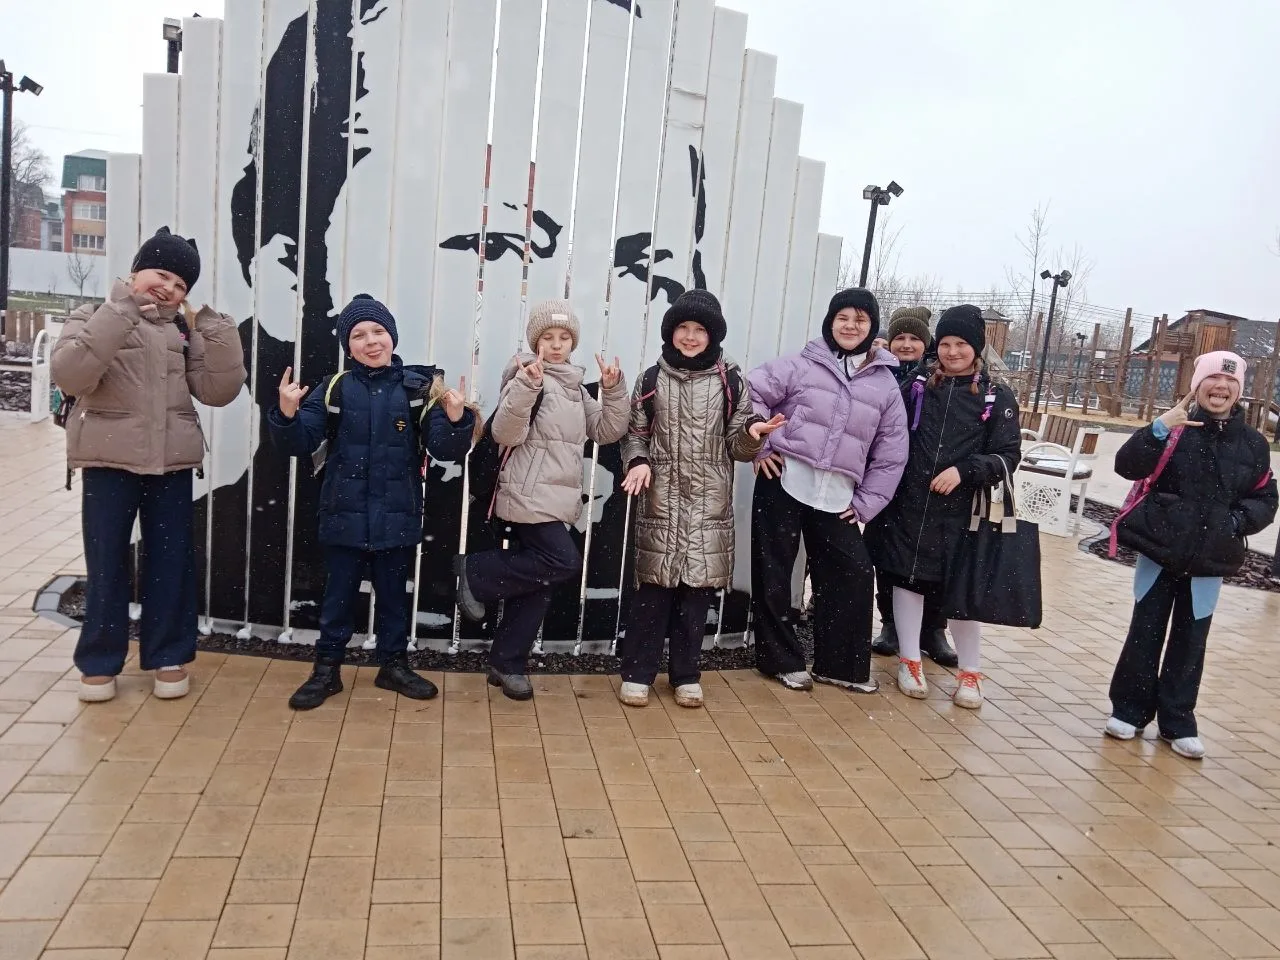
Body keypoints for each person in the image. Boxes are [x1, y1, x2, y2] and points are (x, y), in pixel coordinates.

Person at [51, 227, 246, 702]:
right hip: (107, 462)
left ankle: (168, 656)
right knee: (106, 565)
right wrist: (121, 313)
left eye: (180, 284)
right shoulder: (91, 316)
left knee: (170, 565)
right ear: (136, 271)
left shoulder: (181, 331)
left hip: (170, 466)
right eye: (162, 274)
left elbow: (218, 391)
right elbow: (71, 375)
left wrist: (217, 330)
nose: (169, 288)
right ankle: (99, 662)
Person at [269, 295, 478, 709]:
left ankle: (393, 666)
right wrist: (287, 415)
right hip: (342, 515)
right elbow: (300, 442)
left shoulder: (419, 389)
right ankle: (326, 671)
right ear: (349, 347)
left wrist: (457, 420)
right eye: (359, 335)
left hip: (397, 517)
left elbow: (444, 449)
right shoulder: (333, 389)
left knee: (394, 598)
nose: (371, 341)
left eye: (378, 331)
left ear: (392, 337)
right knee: (338, 598)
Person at [456, 300, 630, 701]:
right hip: (528, 494)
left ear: (573, 343)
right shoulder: (524, 376)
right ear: (535, 341)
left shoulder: (574, 386)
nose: (555, 345)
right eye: (547, 337)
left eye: (564, 337)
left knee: (538, 584)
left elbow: (606, 430)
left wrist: (613, 390)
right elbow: (505, 433)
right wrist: (527, 386)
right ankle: (475, 572)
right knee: (563, 561)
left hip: (555, 498)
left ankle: (507, 662)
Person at [1106, 351, 1277, 758]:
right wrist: (1159, 428)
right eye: (1213, 379)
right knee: (1145, 631)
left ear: (1239, 390)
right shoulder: (1174, 427)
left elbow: (1265, 498)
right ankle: (1129, 710)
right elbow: (1126, 466)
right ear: (1197, 384)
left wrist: (1235, 522)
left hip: (1209, 559)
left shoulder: (1253, 444)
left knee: (1191, 639)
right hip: (1159, 550)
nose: (1221, 387)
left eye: (1230, 382)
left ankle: (1178, 720)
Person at [617, 291, 783, 708]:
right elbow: (635, 434)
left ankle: (686, 675)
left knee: (696, 596)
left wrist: (753, 435)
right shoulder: (650, 379)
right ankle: (637, 673)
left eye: (699, 330)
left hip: (709, 506)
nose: (690, 337)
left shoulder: (732, 382)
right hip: (661, 502)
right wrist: (638, 461)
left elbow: (737, 446)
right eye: (683, 328)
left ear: (713, 336)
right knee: (653, 592)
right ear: (671, 332)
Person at [747, 288, 909, 694]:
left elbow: (892, 452)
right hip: (783, 480)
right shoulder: (801, 365)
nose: (850, 326)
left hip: (838, 495)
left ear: (872, 327)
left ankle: (841, 666)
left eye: (860, 319)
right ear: (830, 322)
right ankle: (780, 660)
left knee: (854, 572)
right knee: (774, 573)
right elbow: (751, 395)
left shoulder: (886, 386)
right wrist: (761, 447)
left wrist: (867, 503)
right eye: (843, 318)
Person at [866, 304, 1021, 708]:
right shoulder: (917, 385)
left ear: (976, 347)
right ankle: (910, 660)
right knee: (908, 580)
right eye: (947, 343)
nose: (953, 352)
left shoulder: (995, 395)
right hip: (910, 505)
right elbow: (884, 429)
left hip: (961, 513)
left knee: (960, 593)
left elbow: (1008, 455)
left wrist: (966, 471)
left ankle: (970, 672)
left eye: (962, 344)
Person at [869, 306, 957, 667]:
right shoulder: (878, 371)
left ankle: (934, 629)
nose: (906, 345)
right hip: (888, 481)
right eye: (900, 338)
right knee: (887, 555)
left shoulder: (939, 377)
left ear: (926, 343)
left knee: (936, 560)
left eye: (914, 339)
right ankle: (891, 624)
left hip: (929, 484)